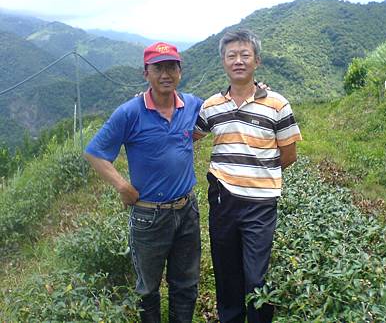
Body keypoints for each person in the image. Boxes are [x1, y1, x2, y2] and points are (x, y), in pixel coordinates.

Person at [84, 42, 203, 323]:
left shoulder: (193, 105)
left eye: (171, 67)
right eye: (158, 68)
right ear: (145, 73)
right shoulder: (130, 112)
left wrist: (255, 89)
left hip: (187, 210)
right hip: (149, 215)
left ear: (180, 71)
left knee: (186, 283)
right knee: (148, 288)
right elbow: (95, 153)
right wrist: (123, 187)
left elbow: (222, 112)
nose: (166, 74)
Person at [195, 29, 302, 323]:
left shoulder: (277, 104)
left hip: (260, 204)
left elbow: (289, 155)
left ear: (257, 61)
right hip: (222, 200)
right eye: (232, 55)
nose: (238, 61)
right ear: (223, 62)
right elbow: (189, 135)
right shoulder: (211, 106)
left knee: (257, 276)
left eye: (245, 55)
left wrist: (259, 173)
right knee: (226, 273)